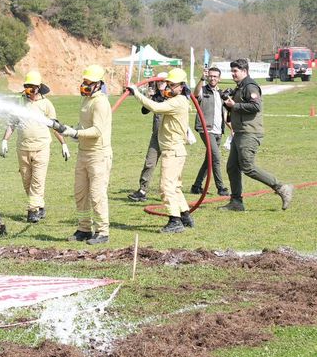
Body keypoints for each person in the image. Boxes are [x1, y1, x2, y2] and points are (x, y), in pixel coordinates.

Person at [50, 64, 113, 245]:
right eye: (84, 81)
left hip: (98, 155)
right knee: (80, 193)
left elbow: (97, 131)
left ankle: (102, 232)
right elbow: (83, 125)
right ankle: (84, 229)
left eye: (89, 82)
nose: (85, 85)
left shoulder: (100, 102)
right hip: (84, 153)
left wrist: (75, 133)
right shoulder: (86, 100)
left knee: (97, 195)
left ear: (98, 84)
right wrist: (70, 130)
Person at [126, 68, 194, 233]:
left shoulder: (177, 102)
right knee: (175, 187)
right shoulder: (179, 99)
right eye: (168, 84)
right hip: (176, 150)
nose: (168, 87)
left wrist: (136, 93)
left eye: (172, 85)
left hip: (172, 150)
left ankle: (174, 220)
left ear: (181, 87)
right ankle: (185, 215)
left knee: (166, 187)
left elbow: (154, 107)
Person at [221, 58, 294, 212]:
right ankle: (236, 202)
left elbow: (255, 106)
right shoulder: (240, 87)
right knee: (232, 167)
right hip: (239, 132)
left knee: (247, 167)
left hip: (249, 132)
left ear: (244, 71)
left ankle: (281, 187)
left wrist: (235, 105)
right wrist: (228, 103)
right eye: (232, 71)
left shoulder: (250, 86)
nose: (233, 74)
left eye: (235, 71)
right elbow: (236, 108)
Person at [1, 71, 69, 223]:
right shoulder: (19, 103)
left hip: (41, 148)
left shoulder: (46, 104)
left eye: (32, 87)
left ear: (38, 88)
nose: (28, 90)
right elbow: (12, 124)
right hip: (23, 148)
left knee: (37, 181)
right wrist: (4, 140)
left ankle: (32, 211)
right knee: (27, 181)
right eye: (26, 86)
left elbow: (55, 126)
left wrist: (63, 144)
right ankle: (40, 205)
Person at [128, 72, 168, 202]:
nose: (160, 83)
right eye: (159, 81)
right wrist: (149, 98)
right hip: (156, 136)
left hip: (169, 138)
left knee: (168, 166)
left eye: (163, 81)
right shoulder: (155, 97)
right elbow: (144, 111)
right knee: (149, 163)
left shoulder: (172, 98)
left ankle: (169, 192)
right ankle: (142, 190)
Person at [190, 67, 230, 196]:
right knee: (216, 158)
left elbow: (225, 114)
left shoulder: (221, 93)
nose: (212, 78)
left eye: (215, 76)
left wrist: (231, 128)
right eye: (210, 76)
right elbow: (195, 94)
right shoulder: (203, 89)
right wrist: (201, 78)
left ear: (219, 78)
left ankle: (196, 186)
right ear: (207, 77)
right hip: (206, 129)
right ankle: (221, 188)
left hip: (218, 131)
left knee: (209, 159)